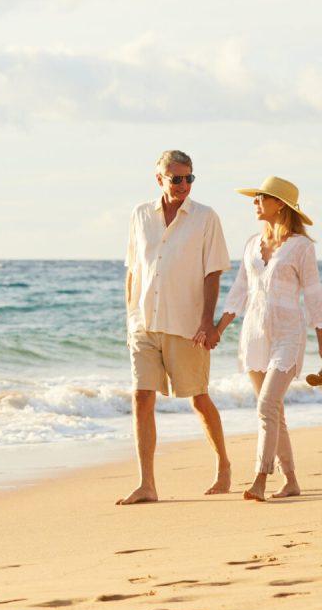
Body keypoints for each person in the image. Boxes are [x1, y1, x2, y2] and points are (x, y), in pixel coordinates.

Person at [118, 149, 232, 505]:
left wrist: (207, 323)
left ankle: (224, 464)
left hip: (186, 325)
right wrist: (130, 317)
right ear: (160, 180)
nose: (184, 185)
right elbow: (133, 269)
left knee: (198, 398)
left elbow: (213, 272)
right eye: (176, 179)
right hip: (143, 323)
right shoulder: (140, 215)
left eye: (189, 178)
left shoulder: (205, 217)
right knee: (141, 398)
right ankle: (147, 484)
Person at [215, 176, 322, 501]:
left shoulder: (302, 247)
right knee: (274, 410)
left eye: (261, 197)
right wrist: (217, 330)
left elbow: (315, 300)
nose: (255, 202)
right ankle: (291, 480)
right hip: (255, 336)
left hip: (288, 336)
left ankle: (260, 477)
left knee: (265, 406)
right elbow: (239, 291)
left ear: (281, 205)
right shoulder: (251, 244)